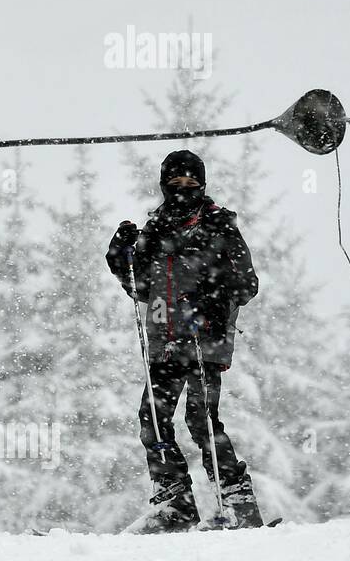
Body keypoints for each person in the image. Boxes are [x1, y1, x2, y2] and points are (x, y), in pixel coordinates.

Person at [105, 149, 263, 532]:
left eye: (191, 184)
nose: (182, 191)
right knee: (153, 420)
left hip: (204, 339)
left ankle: (237, 503)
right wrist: (120, 258)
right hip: (165, 340)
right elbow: (141, 288)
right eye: (174, 184)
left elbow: (247, 283)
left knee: (200, 419)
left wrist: (212, 299)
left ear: (203, 186)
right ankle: (174, 502)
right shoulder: (155, 229)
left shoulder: (219, 226)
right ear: (163, 186)